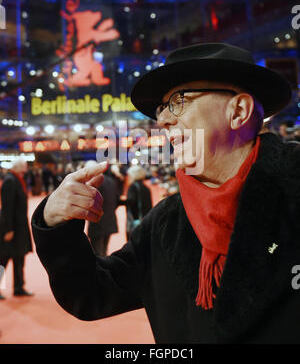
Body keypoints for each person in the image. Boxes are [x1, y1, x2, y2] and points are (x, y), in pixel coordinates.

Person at [31, 43, 300, 343]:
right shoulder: (165, 223)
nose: (163, 121)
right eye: (162, 107)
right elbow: (92, 293)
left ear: (238, 111)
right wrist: (55, 223)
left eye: (179, 100)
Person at [0, 157, 33, 299]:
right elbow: (7, 208)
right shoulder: (10, 181)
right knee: (3, 259)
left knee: (19, 257)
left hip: (19, 228)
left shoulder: (17, 179)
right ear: (19, 167)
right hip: (11, 228)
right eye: (25, 165)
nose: (26, 167)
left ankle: (19, 287)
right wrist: (8, 230)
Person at [85, 161, 119, 257]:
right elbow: (117, 200)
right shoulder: (111, 180)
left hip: (97, 223)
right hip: (110, 220)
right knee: (104, 251)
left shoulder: (92, 183)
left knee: (98, 255)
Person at [120, 165, 152, 241]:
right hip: (146, 220)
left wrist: (118, 201)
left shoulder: (133, 186)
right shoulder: (146, 187)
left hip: (136, 221)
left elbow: (131, 201)